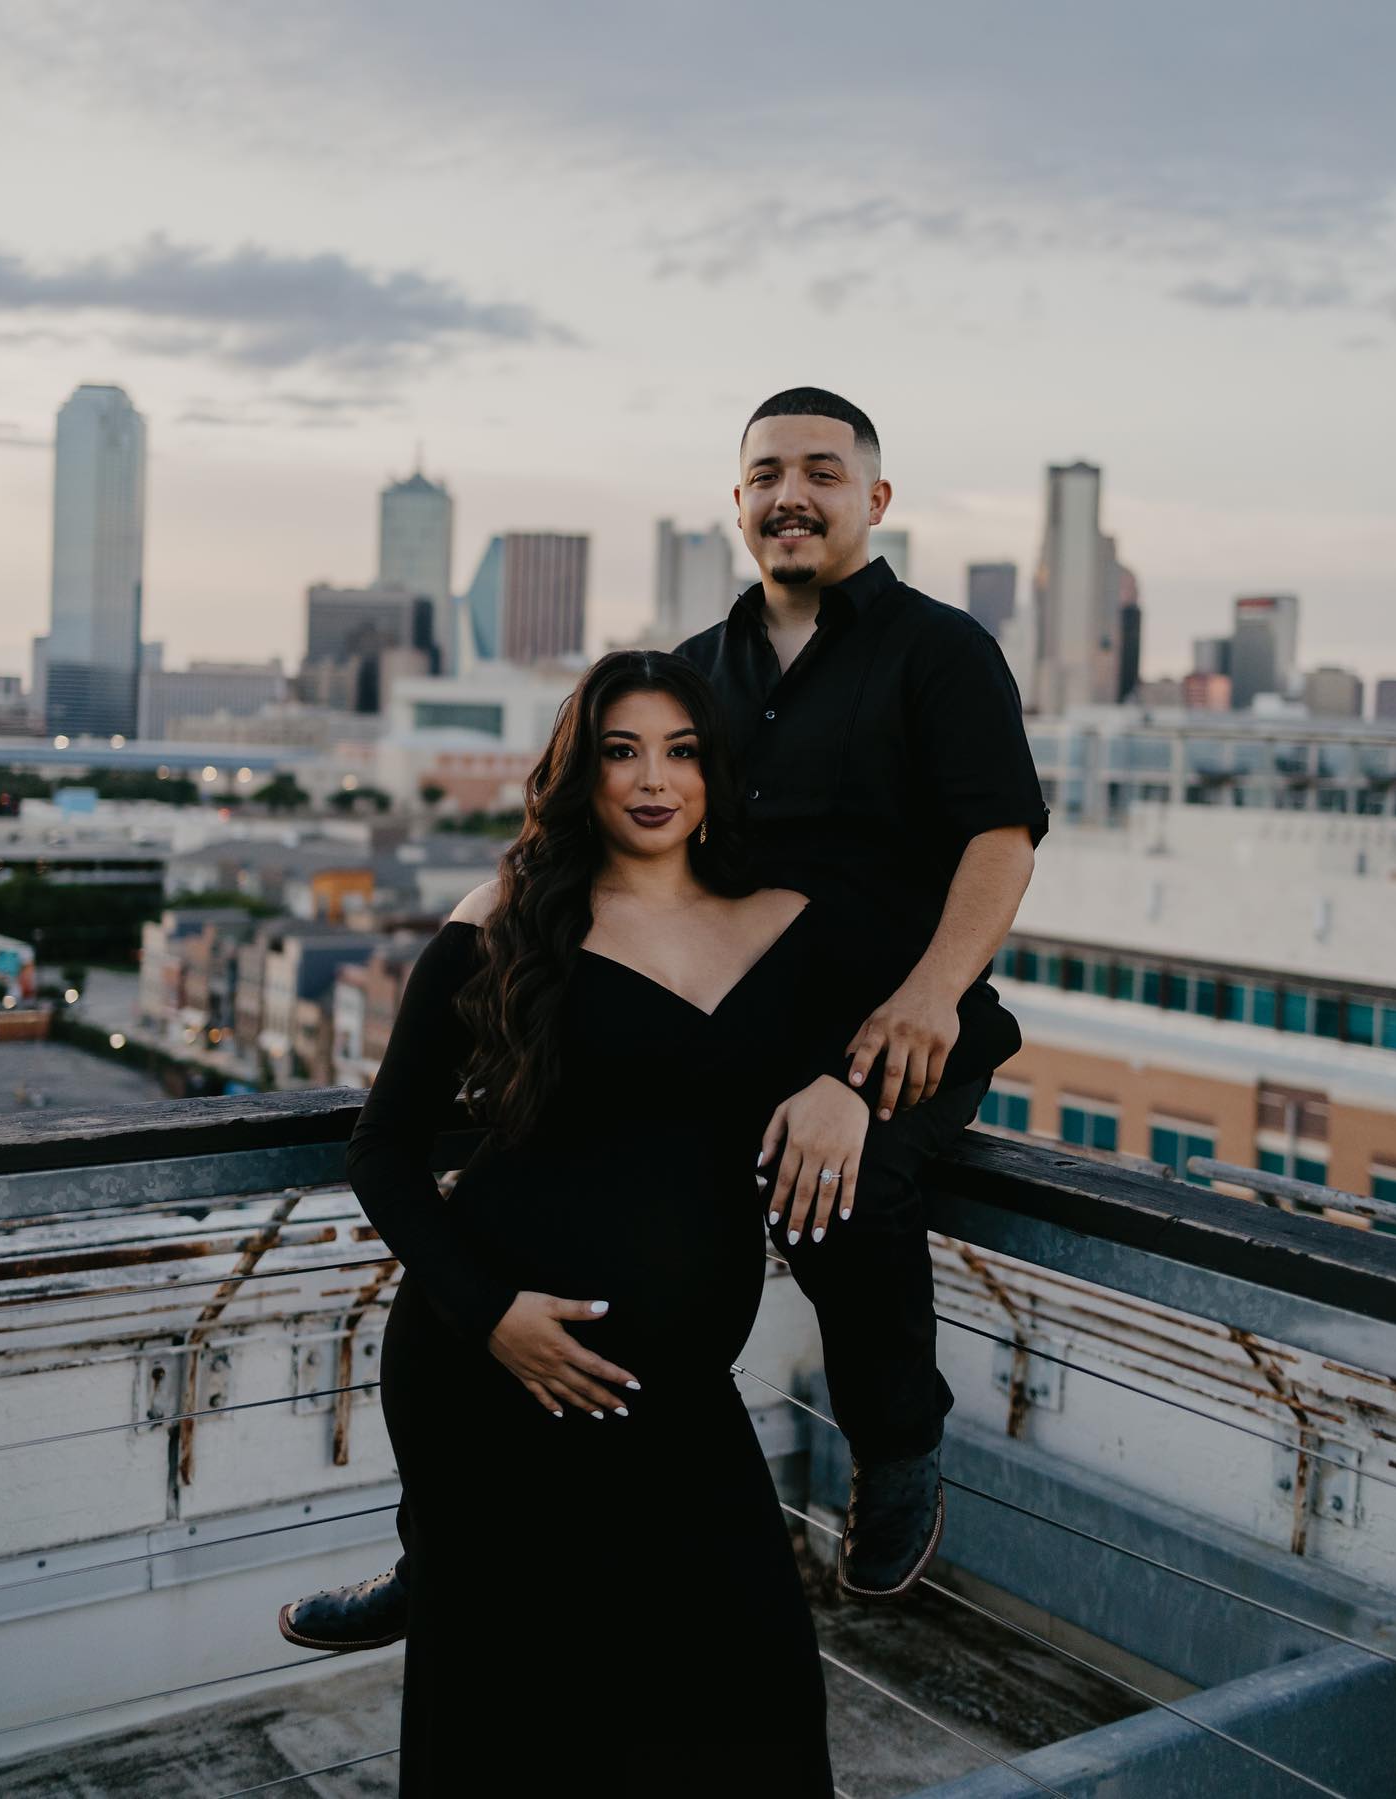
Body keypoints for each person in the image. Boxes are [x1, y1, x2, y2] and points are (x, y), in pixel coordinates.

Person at [279, 385, 1046, 1651]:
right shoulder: (704, 666)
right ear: (739, 500)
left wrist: (912, 1010)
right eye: (765, 474)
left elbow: (1001, 840)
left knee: (843, 1187)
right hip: (738, 1011)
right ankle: (445, 1550)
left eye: (822, 471)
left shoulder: (941, 648)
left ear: (875, 499)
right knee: (542, 1175)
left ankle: (898, 1444)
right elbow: (631, 811)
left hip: (896, 1022)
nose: (790, 494)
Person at [321, 650, 894, 1794]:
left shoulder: (791, 921)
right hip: (492, 1381)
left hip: (679, 1395)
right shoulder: (508, 918)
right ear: (579, 772)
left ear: (716, 771)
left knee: (755, 1703)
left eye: (681, 751)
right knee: (516, 1723)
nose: (653, 779)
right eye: (621, 750)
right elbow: (382, 1149)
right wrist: (490, 1315)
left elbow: (946, 1024)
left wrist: (847, 1084)